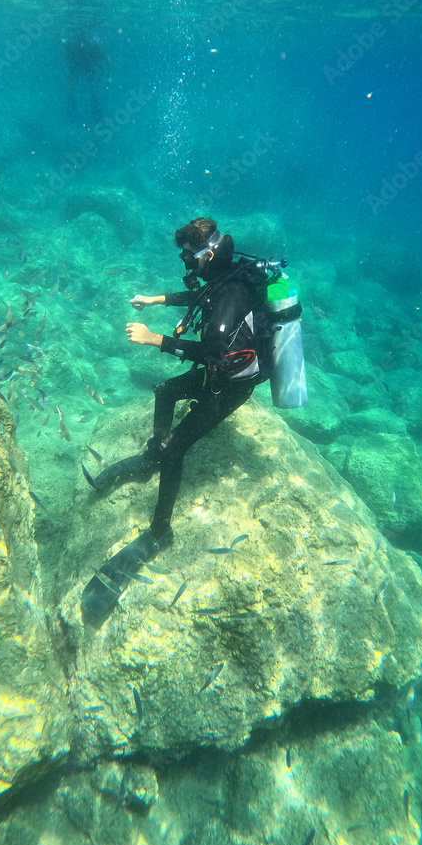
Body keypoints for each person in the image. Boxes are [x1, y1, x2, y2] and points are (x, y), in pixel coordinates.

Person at [81, 217, 273, 626]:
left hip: (229, 386)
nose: (186, 262)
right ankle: (154, 456)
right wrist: (155, 299)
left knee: (177, 447)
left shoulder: (233, 293)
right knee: (165, 392)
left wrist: (156, 340)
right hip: (214, 374)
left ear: (207, 252)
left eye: (189, 255)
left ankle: (160, 531)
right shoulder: (225, 273)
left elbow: (214, 353)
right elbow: (199, 297)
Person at [63, 29, 108, 124]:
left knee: (78, 87)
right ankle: (91, 109)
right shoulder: (92, 44)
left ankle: (88, 108)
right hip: (84, 67)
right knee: (89, 88)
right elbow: (104, 59)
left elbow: (104, 58)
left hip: (82, 67)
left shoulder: (89, 44)